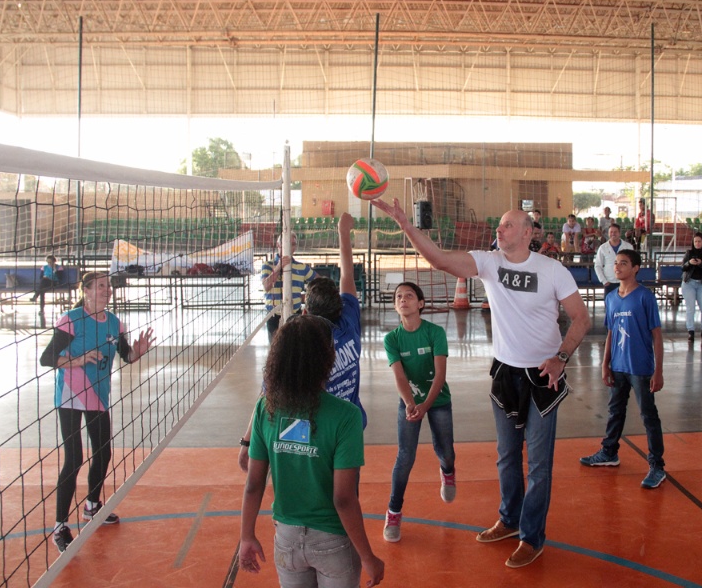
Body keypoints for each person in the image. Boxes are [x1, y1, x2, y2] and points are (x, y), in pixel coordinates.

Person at [372, 198, 591, 569]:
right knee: (507, 457)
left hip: (543, 376)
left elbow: (580, 318)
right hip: (506, 373)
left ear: (527, 233)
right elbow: (440, 260)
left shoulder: (553, 271)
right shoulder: (490, 262)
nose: (498, 230)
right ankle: (509, 519)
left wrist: (562, 357)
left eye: (507, 225)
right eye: (499, 226)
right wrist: (407, 227)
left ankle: (531, 536)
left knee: (537, 464)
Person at [238, 314, 384, 588]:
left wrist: (247, 536)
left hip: (287, 540)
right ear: (327, 358)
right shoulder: (346, 416)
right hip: (333, 541)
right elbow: (343, 498)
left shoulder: (264, 408)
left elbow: (253, 484)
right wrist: (368, 556)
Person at [39, 272, 155, 552]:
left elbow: (126, 355)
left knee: (103, 453)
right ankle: (60, 527)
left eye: (109, 286)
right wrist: (78, 360)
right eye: (101, 286)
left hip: (98, 397)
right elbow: (46, 358)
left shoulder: (115, 323)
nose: (108, 290)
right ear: (87, 290)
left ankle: (92, 506)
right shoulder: (72, 319)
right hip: (70, 396)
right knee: (75, 458)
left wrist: (136, 353)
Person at [240, 214, 365, 471]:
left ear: (305, 311)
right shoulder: (350, 326)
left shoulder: (297, 350)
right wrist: (343, 232)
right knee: (343, 493)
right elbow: (347, 277)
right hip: (344, 426)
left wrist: (247, 441)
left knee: (309, 486)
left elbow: (268, 391)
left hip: (312, 428)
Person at [580, 249, 666, 490]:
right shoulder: (611, 298)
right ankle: (609, 452)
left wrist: (658, 371)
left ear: (636, 268)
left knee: (648, 416)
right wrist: (604, 363)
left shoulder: (645, 297)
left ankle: (657, 465)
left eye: (623, 263)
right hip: (617, 366)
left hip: (640, 368)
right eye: (616, 263)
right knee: (615, 411)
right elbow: (610, 333)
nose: (617, 267)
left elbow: (656, 336)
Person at [382, 282, 454, 543]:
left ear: (420, 304)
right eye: (398, 296)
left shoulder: (435, 333)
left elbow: (440, 376)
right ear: (394, 305)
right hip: (410, 403)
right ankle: (394, 512)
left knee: (446, 451)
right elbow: (399, 377)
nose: (403, 300)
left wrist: (425, 405)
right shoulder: (392, 339)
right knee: (405, 457)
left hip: (438, 400)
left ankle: (447, 471)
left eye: (409, 296)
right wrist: (411, 404)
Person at [261, 232, 317, 343]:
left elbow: (319, 280)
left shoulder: (301, 267)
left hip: (295, 315)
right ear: (278, 245)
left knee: (294, 348)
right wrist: (278, 268)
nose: (290, 247)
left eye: (293, 244)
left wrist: (310, 298)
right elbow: (266, 286)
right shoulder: (268, 265)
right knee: (276, 350)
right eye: (286, 244)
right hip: (274, 316)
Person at [680, 231, 702, 344]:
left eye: (699, 241)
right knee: (691, 308)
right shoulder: (689, 253)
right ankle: (691, 331)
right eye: (695, 242)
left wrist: (701, 264)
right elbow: (683, 267)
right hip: (689, 283)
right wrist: (689, 263)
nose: (697, 243)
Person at [593, 223, 633, 300]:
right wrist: (604, 281)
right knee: (610, 308)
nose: (613, 234)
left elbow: (633, 264)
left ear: (619, 233)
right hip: (609, 283)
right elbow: (597, 266)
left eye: (615, 232)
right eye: (611, 232)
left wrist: (630, 279)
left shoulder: (628, 247)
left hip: (624, 282)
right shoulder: (603, 248)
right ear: (608, 233)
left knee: (625, 307)